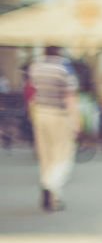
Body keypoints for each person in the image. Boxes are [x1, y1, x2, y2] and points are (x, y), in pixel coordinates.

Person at [27, 46, 80, 211]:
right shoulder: (64, 68)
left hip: (40, 113)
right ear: (60, 52)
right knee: (63, 155)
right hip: (59, 115)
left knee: (46, 155)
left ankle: (54, 196)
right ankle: (50, 185)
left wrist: (32, 114)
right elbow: (69, 96)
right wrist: (76, 121)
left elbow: (31, 93)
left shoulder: (35, 68)